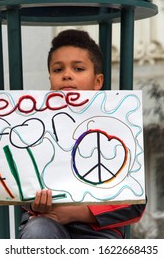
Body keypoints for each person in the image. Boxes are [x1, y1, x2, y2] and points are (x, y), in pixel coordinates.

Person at [18, 29, 146, 239]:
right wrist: (32, 202)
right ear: (50, 79)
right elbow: (17, 184)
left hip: (98, 232)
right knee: (38, 230)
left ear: (98, 82)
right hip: (44, 225)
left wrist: (71, 213)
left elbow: (135, 203)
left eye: (78, 68)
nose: (67, 74)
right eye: (58, 70)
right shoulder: (34, 126)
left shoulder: (119, 126)